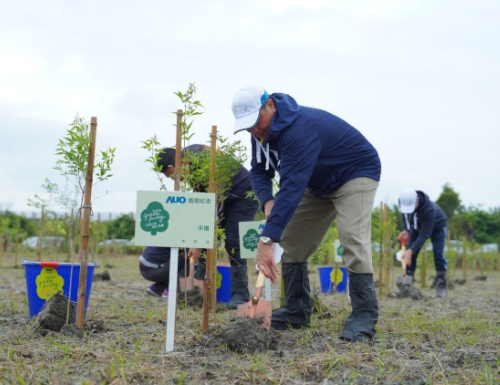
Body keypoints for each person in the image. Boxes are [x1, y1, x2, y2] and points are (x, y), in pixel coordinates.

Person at [231, 87, 382, 342]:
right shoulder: (259, 136)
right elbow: (259, 170)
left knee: (351, 240)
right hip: (316, 182)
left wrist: (267, 240)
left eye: (256, 121)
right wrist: (267, 201)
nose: (254, 129)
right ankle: (296, 310)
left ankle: (364, 317)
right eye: (247, 126)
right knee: (292, 237)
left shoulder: (299, 129)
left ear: (270, 105)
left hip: (355, 172)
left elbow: (291, 187)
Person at [157, 144, 259, 308]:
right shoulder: (190, 167)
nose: (177, 180)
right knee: (207, 242)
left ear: (178, 163)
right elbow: (204, 203)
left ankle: (240, 296)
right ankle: (201, 293)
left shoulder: (202, 158)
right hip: (223, 200)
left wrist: (198, 242)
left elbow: (211, 206)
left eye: (174, 175)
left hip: (243, 194)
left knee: (233, 241)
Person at [398, 190, 448, 298]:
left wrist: (410, 251)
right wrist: (405, 229)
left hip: (437, 228)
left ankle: (441, 286)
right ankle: (406, 286)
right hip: (417, 228)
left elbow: (425, 234)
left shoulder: (429, 209)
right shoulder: (403, 202)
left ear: (417, 201)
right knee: (410, 256)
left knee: (438, 254)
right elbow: (405, 218)